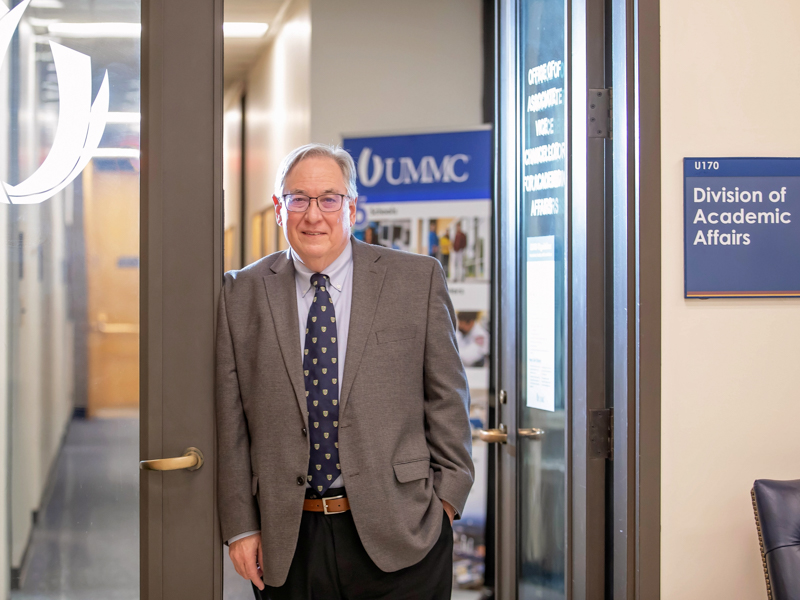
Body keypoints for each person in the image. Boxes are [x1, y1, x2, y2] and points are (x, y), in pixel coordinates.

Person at [216, 143, 474, 600]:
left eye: (329, 198)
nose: (314, 215)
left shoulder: (416, 280)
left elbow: (448, 399)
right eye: (299, 198)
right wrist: (239, 527)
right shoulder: (240, 293)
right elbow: (231, 422)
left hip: (402, 532)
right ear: (279, 209)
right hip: (289, 539)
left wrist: (446, 504)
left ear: (352, 206)